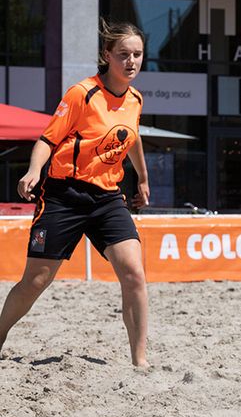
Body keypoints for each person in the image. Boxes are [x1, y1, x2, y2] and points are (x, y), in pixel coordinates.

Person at [0, 19, 151, 366]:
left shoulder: (136, 99)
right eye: (124, 54)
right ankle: (1, 332)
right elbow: (47, 139)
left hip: (107, 197)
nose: (131, 62)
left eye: (138, 55)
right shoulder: (82, 93)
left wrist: (142, 178)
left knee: (134, 272)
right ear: (107, 55)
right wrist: (34, 170)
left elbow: (133, 138)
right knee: (35, 281)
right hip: (63, 195)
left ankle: (140, 362)